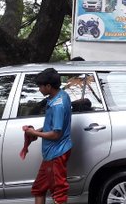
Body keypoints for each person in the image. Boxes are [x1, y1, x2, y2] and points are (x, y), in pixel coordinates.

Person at [23, 68, 72, 204]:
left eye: (40, 86)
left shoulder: (58, 105)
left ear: (49, 86)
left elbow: (56, 134)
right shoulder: (61, 95)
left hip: (56, 154)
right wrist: (38, 132)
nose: (39, 89)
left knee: (59, 193)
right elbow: (54, 125)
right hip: (52, 154)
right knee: (39, 188)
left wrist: (34, 133)